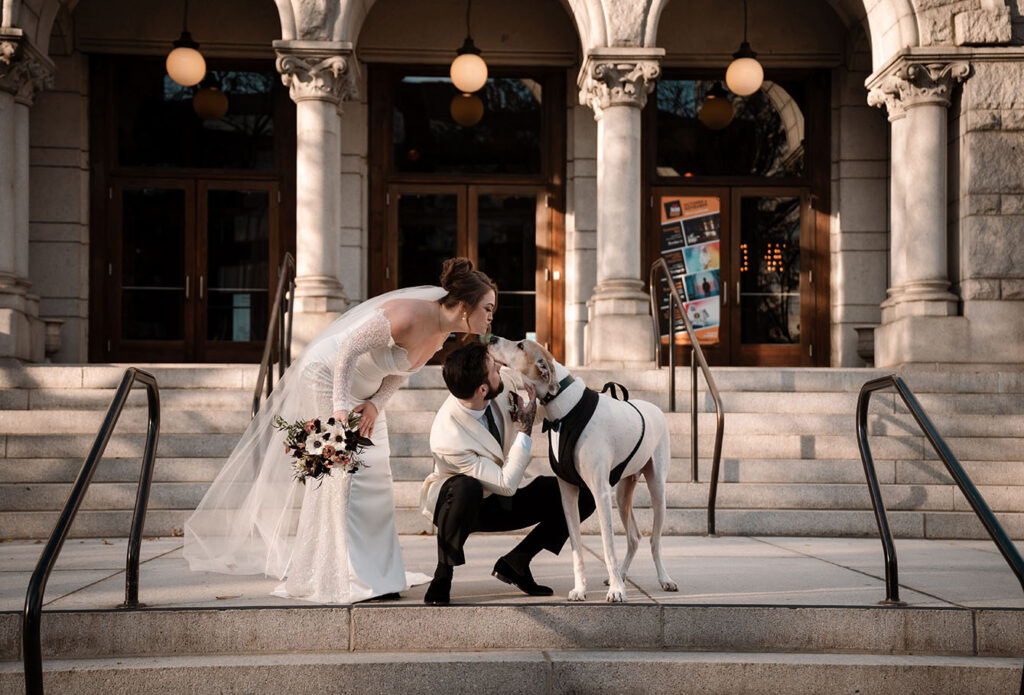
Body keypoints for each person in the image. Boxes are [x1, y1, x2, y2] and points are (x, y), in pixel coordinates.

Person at [184, 258, 497, 604]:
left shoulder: (442, 334)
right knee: (343, 474)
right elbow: (347, 349)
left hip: (367, 391)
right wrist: (337, 412)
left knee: (377, 471)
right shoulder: (407, 314)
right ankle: (344, 575)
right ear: (465, 306)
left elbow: (399, 372)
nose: (490, 316)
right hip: (329, 376)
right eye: (488, 308)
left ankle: (379, 575)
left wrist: (376, 404)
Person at [421, 342, 595, 605]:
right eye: (493, 367)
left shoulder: (499, 383)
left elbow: (531, 413)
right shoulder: (447, 437)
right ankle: (442, 574)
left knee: (583, 495)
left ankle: (517, 562)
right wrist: (524, 432)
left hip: (504, 495)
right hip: (464, 505)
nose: (501, 367)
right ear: (482, 389)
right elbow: (506, 483)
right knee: (465, 488)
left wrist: (536, 403)